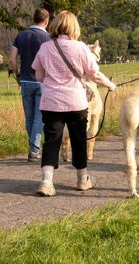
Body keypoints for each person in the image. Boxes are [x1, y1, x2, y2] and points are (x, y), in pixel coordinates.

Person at [31, 10, 116, 197]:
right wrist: (110, 84)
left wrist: (53, 82)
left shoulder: (45, 47)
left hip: (51, 102)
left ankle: (46, 182)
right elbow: (94, 74)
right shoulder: (81, 48)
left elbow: (38, 75)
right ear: (74, 27)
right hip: (76, 102)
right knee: (79, 140)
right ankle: (82, 179)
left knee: (51, 141)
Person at [9, 8, 51, 161]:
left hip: (25, 80)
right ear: (46, 21)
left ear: (33, 19)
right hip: (42, 81)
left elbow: (12, 59)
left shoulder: (21, 35)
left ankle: (33, 147)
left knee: (29, 117)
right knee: (39, 117)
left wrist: (17, 74)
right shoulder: (47, 37)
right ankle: (34, 150)